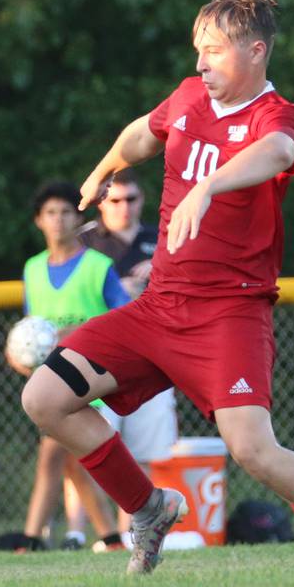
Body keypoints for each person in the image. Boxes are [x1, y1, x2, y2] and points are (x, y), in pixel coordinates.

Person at [21, 0, 294, 574]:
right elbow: (143, 133)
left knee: (253, 450)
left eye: (214, 51)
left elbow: (276, 151)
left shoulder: (277, 114)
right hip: (159, 308)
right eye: (198, 50)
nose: (200, 64)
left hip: (228, 316)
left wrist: (209, 184)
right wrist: (101, 170)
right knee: (44, 399)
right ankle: (149, 509)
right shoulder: (191, 97)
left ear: (257, 52)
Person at [7, 181, 130, 552]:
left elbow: (127, 317)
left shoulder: (98, 267)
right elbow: (32, 328)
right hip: (52, 380)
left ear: (79, 218)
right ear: (38, 221)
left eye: (66, 212)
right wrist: (18, 352)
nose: (58, 220)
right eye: (50, 213)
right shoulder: (32, 269)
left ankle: (30, 540)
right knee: (75, 463)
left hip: (92, 377)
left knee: (50, 456)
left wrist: (81, 330)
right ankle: (111, 539)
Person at [76, 169, 178, 543]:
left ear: (142, 200)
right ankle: (80, 532)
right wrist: (117, 288)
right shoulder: (84, 241)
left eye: (131, 199)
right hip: (95, 357)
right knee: (88, 449)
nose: (123, 207)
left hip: (152, 356)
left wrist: (160, 275)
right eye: (115, 200)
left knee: (144, 453)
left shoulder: (161, 239)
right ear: (102, 202)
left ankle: (132, 532)